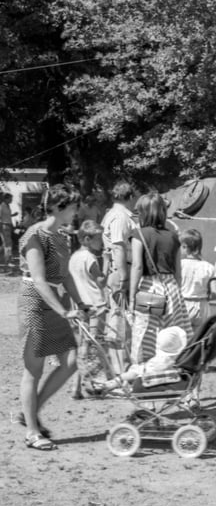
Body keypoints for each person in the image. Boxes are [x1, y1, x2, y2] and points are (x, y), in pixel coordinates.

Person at [16, 184, 82, 451]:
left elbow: (65, 276)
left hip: (56, 303)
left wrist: (82, 303)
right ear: (58, 207)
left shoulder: (62, 237)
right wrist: (64, 310)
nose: (77, 211)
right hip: (35, 302)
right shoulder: (35, 235)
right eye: (74, 206)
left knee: (71, 361)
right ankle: (32, 431)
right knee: (34, 369)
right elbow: (40, 281)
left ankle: (31, 412)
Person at [128, 193, 192, 364]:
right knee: (171, 336)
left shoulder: (139, 234)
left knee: (146, 334)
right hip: (172, 288)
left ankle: (145, 372)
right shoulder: (173, 236)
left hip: (150, 288)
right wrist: (175, 291)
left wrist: (132, 297)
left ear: (143, 213)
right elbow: (178, 271)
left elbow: (137, 266)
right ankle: (169, 372)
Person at [67, 220, 108, 399]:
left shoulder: (74, 257)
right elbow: (101, 281)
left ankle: (75, 387)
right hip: (95, 306)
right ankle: (94, 384)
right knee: (94, 346)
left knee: (82, 346)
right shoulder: (90, 258)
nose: (101, 243)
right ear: (87, 239)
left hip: (79, 306)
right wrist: (106, 262)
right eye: (98, 239)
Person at [97, 326, 187, 394]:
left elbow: (144, 371)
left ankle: (113, 383)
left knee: (135, 371)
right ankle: (114, 383)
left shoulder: (161, 361)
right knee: (136, 370)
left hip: (152, 378)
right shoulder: (181, 358)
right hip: (168, 377)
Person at [178, 229, 216, 334]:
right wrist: (205, 297)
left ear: (184, 247)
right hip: (202, 306)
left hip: (183, 305)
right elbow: (215, 294)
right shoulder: (208, 267)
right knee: (199, 338)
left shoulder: (179, 265)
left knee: (181, 338)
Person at [101, 181, 135, 307]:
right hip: (121, 270)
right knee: (121, 318)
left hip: (118, 268)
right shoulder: (120, 217)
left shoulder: (112, 214)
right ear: (130, 197)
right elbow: (118, 247)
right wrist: (124, 277)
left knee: (121, 317)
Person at [1, 192, 15, 270]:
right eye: (10, 198)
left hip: (8, 225)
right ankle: (7, 261)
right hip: (4, 225)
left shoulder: (7, 206)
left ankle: (6, 259)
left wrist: (13, 216)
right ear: (6, 198)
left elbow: (6, 216)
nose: (11, 200)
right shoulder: (2, 206)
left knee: (7, 243)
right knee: (8, 244)